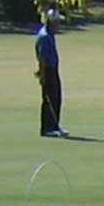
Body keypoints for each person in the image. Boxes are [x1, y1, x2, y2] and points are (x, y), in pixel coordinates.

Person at [35, 10, 66, 138]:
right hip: (48, 70)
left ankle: (54, 126)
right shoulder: (44, 36)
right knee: (49, 99)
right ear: (51, 22)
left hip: (53, 69)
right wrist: (42, 74)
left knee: (56, 98)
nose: (59, 24)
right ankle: (47, 129)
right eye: (57, 22)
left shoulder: (50, 34)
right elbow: (42, 57)